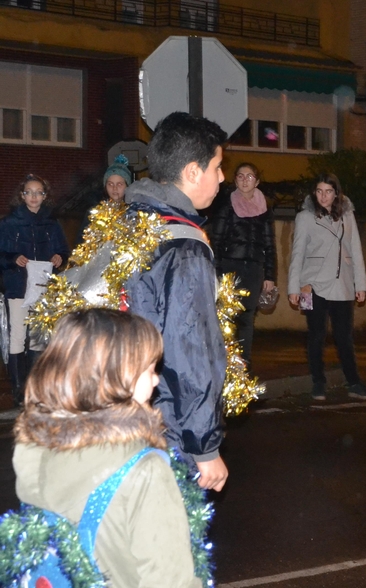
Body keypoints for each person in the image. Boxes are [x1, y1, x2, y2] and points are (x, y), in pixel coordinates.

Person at [14, 309, 202, 586]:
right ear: (116, 378)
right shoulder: (144, 470)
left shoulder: (35, 447)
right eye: (150, 370)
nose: (156, 380)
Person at [123, 111, 229, 491]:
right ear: (192, 172)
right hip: (167, 427)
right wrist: (204, 446)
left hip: (124, 417)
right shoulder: (184, 247)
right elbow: (189, 349)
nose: (222, 177)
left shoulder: (132, 221)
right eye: (217, 167)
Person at [288, 173, 366, 401]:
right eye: (319, 191)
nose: (323, 196)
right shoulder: (305, 217)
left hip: (342, 284)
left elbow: (355, 250)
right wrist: (294, 288)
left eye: (328, 191)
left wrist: (360, 284)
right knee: (316, 335)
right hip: (311, 285)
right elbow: (297, 253)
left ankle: (354, 382)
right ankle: (318, 382)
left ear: (336, 193)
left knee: (344, 337)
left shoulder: (347, 215)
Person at [0, 174, 69, 404]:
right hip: (18, 287)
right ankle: (19, 390)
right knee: (18, 337)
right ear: (22, 195)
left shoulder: (52, 224)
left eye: (38, 192)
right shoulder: (8, 224)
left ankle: (37, 388)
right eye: (29, 192)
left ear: (45, 196)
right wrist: (13, 258)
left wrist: (60, 257)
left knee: (39, 339)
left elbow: (64, 251)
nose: (33, 196)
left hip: (43, 288)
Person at [209, 162, 277, 365]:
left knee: (247, 318)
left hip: (254, 270)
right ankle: (224, 362)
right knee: (228, 316)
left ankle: (243, 364)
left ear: (257, 181)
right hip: (231, 267)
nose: (245, 180)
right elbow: (216, 242)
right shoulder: (227, 206)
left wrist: (270, 276)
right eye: (240, 176)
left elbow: (270, 244)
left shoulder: (264, 209)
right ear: (235, 180)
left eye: (249, 176)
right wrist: (217, 272)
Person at [78, 155, 133, 240]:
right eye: (110, 184)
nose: (114, 188)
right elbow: (81, 240)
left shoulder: (133, 212)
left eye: (119, 184)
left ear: (127, 186)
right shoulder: (94, 213)